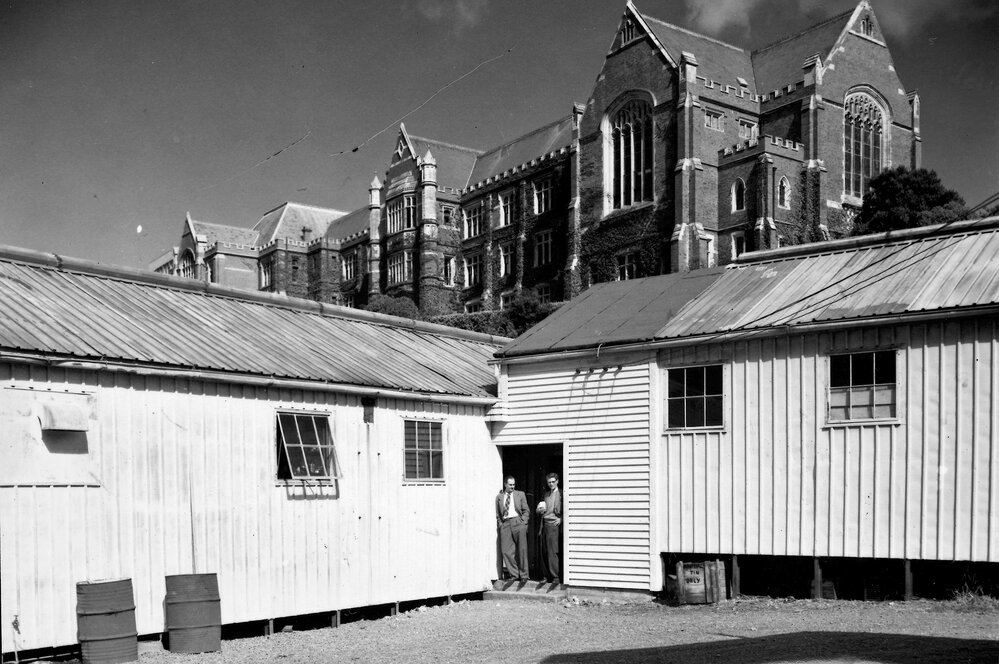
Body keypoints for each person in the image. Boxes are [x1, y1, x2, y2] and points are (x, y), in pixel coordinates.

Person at [496, 475, 530, 582]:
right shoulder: (499, 497)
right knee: (506, 550)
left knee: (522, 549)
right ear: (505, 484)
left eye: (513, 484)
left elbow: (526, 510)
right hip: (505, 523)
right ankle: (514, 575)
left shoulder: (520, 494)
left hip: (518, 522)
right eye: (510, 485)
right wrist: (501, 524)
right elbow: (498, 514)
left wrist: (523, 522)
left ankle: (524, 575)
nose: (512, 487)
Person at [537, 472, 562, 584]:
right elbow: (540, 510)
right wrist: (539, 511)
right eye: (549, 482)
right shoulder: (546, 495)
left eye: (553, 482)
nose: (551, 484)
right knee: (544, 551)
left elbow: (569, 508)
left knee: (553, 551)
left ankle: (555, 577)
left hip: (554, 525)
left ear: (557, 481)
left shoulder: (562, 494)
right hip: (544, 524)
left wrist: (562, 519)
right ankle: (546, 577)